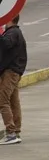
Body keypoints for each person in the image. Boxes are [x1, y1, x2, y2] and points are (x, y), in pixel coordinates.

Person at [0, 15, 26, 145]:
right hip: (15, 71)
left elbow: (5, 44)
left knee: (3, 101)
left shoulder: (12, 33)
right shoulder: (16, 32)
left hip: (10, 71)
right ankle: (15, 130)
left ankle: (10, 132)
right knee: (13, 101)